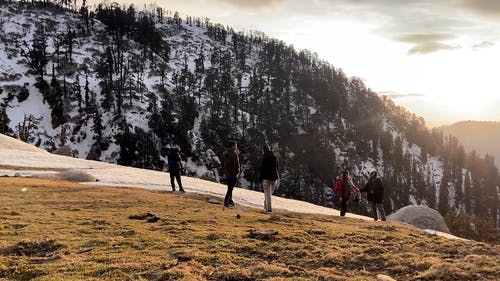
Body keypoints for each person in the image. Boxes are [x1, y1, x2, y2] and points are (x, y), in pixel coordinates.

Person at [260, 144, 279, 213]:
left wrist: (260, 177)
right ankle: (266, 206)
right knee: (269, 194)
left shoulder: (264, 157)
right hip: (274, 177)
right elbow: (277, 167)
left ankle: (268, 209)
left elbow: (262, 168)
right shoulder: (275, 156)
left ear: (264, 150)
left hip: (267, 178)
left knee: (267, 194)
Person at [222, 140, 240, 207]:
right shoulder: (234, 154)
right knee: (230, 189)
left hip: (227, 173)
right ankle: (226, 201)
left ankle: (230, 201)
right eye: (235, 145)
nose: (236, 147)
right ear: (232, 146)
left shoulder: (225, 154)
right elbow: (236, 165)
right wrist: (237, 171)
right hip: (233, 173)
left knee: (229, 187)